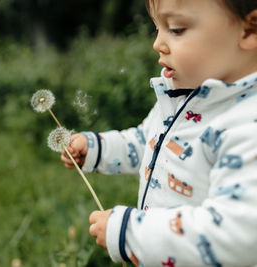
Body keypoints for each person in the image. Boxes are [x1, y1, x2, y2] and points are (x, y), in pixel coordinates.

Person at [61, 0, 257, 265]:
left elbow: (233, 236)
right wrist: (97, 149)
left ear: (249, 30)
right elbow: (147, 141)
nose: (157, 43)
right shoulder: (182, 97)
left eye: (175, 29)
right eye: (157, 28)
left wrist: (129, 233)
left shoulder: (247, 125)